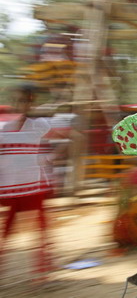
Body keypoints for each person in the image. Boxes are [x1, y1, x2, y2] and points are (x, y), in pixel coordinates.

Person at [0, 84, 54, 277]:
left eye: (23, 100)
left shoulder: (38, 125)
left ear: (31, 102)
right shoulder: (4, 128)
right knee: (8, 228)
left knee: (40, 228)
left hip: (33, 186)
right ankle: (40, 271)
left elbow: (54, 145)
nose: (18, 104)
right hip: (14, 187)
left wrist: (47, 161)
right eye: (15, 100)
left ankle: (42, 271)